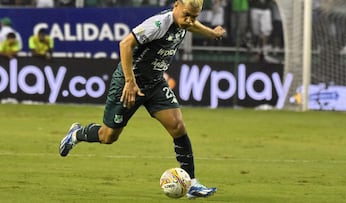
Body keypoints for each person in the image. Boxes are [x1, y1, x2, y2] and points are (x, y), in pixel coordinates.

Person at [59, 0, 225, 199]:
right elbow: (125, 44)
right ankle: (77, 134)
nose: (189, 21)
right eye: (187, 15)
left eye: (194, 17)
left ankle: (192, 184)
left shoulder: (185, 21)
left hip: (155, 83)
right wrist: (129, 82)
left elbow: (193, 25)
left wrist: (211, 33)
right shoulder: (159, 24)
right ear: (176, 5)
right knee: (108, 136)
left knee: (177, 126)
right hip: (129, 84)